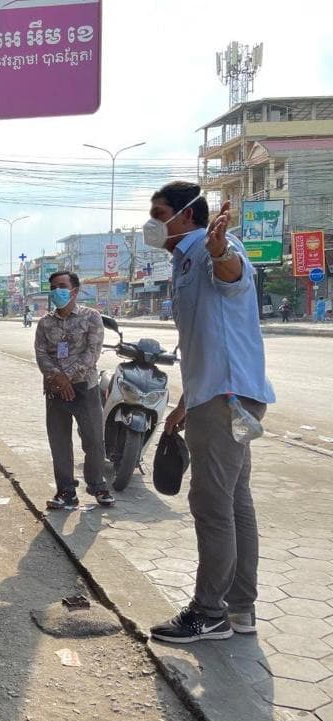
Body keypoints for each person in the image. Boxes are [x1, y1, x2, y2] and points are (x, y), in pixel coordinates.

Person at [144, 181, 275, 644]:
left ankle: (209, 612)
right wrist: (185, 401)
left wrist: (219, 251)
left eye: (160, 213)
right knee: (235, 501)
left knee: (212, 505)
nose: (152, 223)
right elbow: (204, 339)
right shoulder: (183, 260)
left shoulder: (212, 248)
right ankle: (240, 609)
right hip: (219, 395)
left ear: (187, 215)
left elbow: (231, 274)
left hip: (226, 398)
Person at [34, 270, 113, 511]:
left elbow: (92, 352)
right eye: (53, 288)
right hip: (55, 389)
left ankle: (97, 485)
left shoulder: (91, 317)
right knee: (59, 443)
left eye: (61, 286)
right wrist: (58, 379)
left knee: (94, 440)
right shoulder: (45, 323)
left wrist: (67, 377)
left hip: (85, 387)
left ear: (74, 291)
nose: (56, 291)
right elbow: (41, 354)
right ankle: (66, 491)